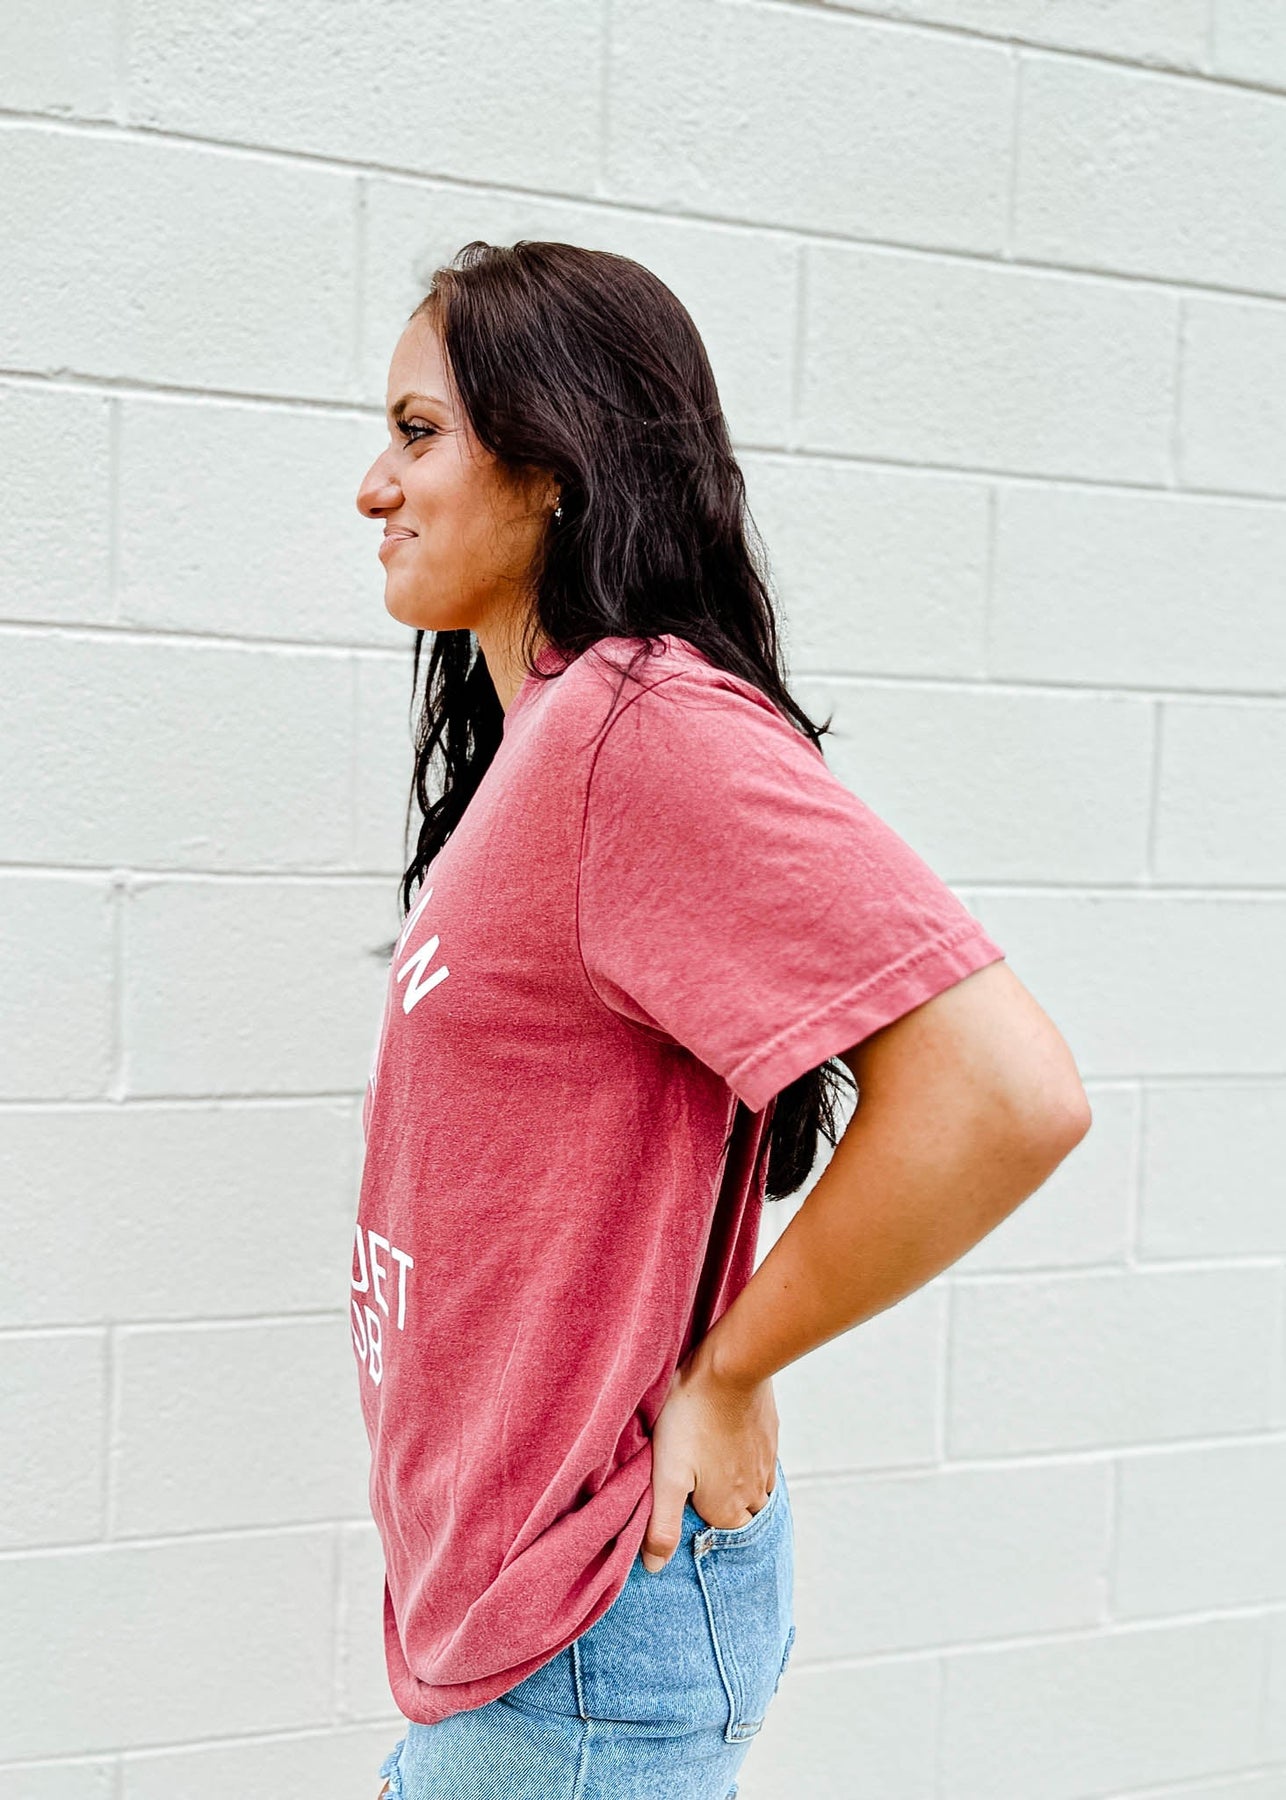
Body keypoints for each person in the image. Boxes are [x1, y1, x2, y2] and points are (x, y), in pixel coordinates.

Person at [352, 240, 1091, 1800]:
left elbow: (1001, 1090)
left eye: (418, 434)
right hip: (526, 1628)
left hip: (576, 1641)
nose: (373, 486)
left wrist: (731, 1371)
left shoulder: (635, 728)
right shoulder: (552, 743)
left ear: (549, 465)